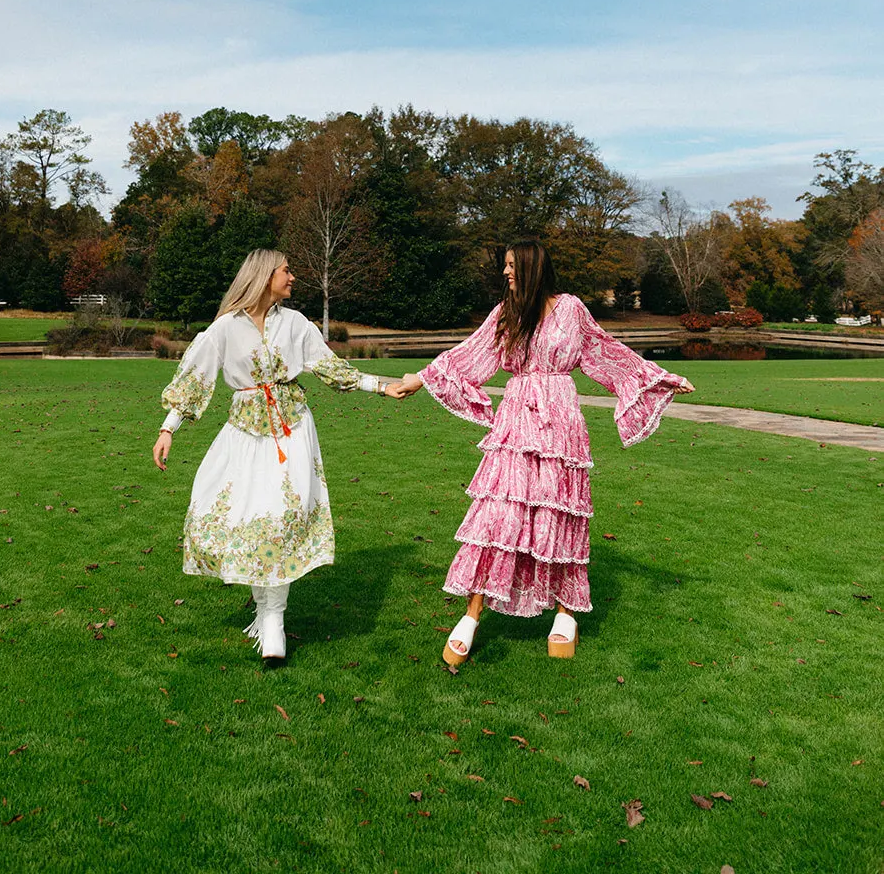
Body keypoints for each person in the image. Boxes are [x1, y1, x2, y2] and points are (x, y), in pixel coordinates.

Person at [393, 238, 694, 666]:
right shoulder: (506, 314)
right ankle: (471, 616)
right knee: (499, 514)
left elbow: (607, 352)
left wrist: (660, 377)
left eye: (513, 265)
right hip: (515, 421)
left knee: (559, 512)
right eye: (505, 265)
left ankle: (565, 613)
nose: (506, 272)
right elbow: (469, 354)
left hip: (561, 425)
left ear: (533, 267)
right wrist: (419, 379)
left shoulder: (571, 309)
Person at [152, 249, 403, 659]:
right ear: (264, 275)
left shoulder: (296, 323)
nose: (293, 277)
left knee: (281, 516)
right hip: (245, 435)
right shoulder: (225, 329)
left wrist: (380, 386)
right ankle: (266, 612)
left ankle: (274, 619)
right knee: (252, 518)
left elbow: (330, 368)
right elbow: (195, 378)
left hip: (292, 430)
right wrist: (168, 428)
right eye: (286, 270)